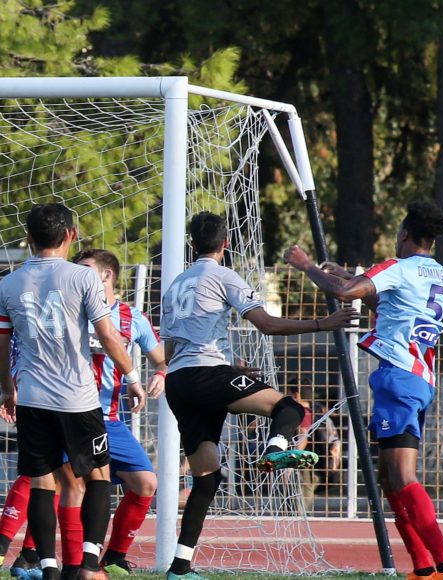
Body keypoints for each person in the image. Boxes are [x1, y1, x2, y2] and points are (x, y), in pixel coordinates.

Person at [159, 211, 357, 580]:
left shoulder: (174, 286)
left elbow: (171, 352)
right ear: (226, 243)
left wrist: (229, 368)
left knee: (207, 478)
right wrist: (321, 323)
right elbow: (265, 324)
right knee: (290, 407)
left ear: (191, 244)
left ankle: (180, 568)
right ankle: (274, 450)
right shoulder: (223, 275)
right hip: (207, 375)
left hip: (179, 382)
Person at [285, 200, 443, 580]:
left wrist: (306, 266)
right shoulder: (439, 274)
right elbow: (386, 305)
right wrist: (343, 276)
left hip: (398, 377)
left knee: (402, 476)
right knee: (388, 479)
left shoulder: (398, 266)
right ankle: (423, 569)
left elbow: (346, 292)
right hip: (417, 378)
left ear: (404, 234)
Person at [0, 248, 166, 577]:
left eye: (85, 269)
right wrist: (14, 386)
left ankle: (111, 557)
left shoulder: (130, 317)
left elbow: (160, 357)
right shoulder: (69, 307)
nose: (77, 274)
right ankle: (38, 555)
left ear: (106, 275)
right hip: (70, 407)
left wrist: (160, 373)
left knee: (145, 482)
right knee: (59, 481)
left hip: (108, 419)